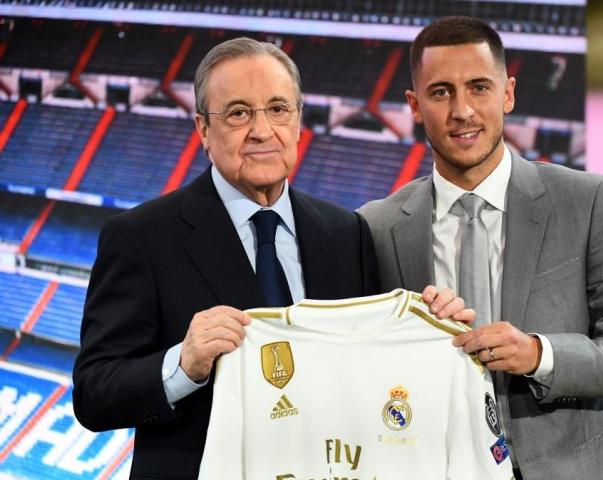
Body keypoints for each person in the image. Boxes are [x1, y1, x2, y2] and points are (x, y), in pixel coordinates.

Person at [72, 37, 471, 479]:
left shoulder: (344, 232)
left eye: (278, 109)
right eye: (239, 113)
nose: (262, 130)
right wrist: (182, 364)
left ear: (297, 121)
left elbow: (374, 372)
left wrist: (432, 323)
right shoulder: (142, 237)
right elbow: (94, 393)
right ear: (204, 129)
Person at [359, 16, 603, 480]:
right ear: (414, 106)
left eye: (479, 87)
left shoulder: (590, 201)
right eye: (441, 92)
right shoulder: (376, 226)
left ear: (508, 93)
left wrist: (540, 355)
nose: (462, 110)